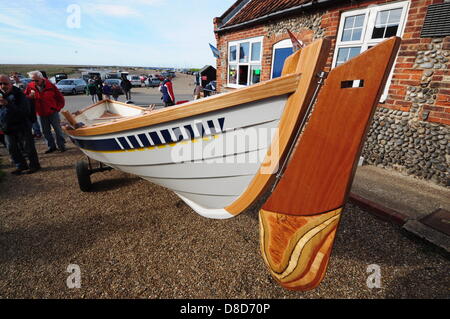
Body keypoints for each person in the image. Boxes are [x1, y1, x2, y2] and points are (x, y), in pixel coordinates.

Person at [0, 74, 40, 174]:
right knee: (11, 148)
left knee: (28, 147)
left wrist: (8, 104)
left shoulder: (19, 95)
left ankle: (34, 165)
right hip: (7, 127)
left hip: (21, 125)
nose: (2, 85)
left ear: (11, 83)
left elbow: (24, 112)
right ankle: (21, 165)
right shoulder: (0, 95)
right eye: (0, 83)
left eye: (5, 83)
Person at [24, 71, 66, 153]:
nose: (34, 82)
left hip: (52, 112)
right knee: (45, 131)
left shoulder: (50, 85)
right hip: (41, 113)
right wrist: (29, 97)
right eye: (32, 80)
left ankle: (61, 146)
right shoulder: (30, 86)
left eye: (36, 80)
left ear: (41, 78)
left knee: (58, 130)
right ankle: (51, 147)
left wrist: (57, 108)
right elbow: (24, 97)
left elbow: (60, 99)